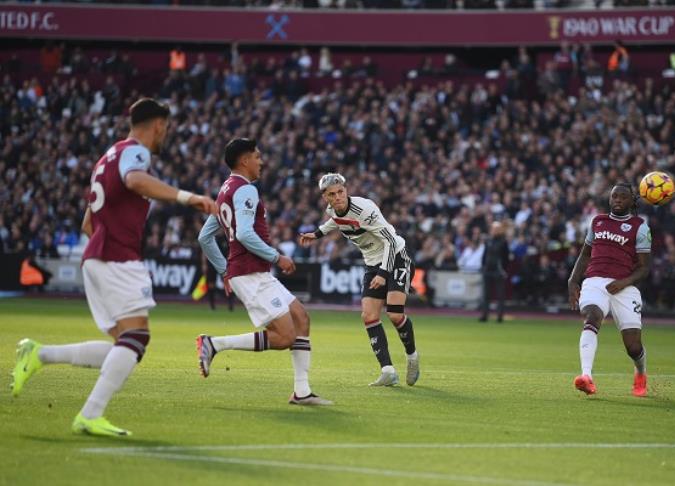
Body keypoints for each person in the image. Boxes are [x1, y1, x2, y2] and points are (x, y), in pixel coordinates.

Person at [11, 98, 218, 436]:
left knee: (126, 344)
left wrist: (109, 240)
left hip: (98, 253)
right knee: (136, 337)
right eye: (165, 128)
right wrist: (187, 197)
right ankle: (90, 414)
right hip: (116, 255)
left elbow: (87, 223)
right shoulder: (136, 153)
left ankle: (40, 354)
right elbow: (136, 180)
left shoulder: (106, 157)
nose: (165, 134)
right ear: (157, 126)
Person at [196, 138, 332, 406]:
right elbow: (245, 233)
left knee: (301, 318)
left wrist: (225, 271)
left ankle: (302, 392)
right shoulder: (246, 190)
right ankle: (214, 344)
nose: (261, 161)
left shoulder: (224, 191)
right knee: (284, 336)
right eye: (257, 156)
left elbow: (204, 237)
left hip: (249, 272)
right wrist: (276, 256)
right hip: (250, 273)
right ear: (244, 160)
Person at [299, 173, 420, 387]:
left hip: (396, 257)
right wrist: (317, 234)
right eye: (332, 194)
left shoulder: (365, 209)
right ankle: (388, 371)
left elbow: (391, 242)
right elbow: (335, 220)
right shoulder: (333, 209)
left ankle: (412, 357)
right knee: (369, 316)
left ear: (346, 190)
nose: (337, 197)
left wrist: (383, 274)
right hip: (372, 262)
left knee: (394, 313)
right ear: (325, 197)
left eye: (340, 192)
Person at [568, 183, 652, 397]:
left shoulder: (640, 227)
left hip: (624, 286)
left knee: (633, 347)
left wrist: (623, 282)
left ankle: (640, 372)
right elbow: (585, 255)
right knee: (592, 316)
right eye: (614, 196)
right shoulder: (598, 221)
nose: (617, 200)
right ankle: (586, 377)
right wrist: (573, 280)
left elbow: (644, 268)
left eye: (622, 197)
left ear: (632, 201)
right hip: (595, 281)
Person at [479, 221, 509, 322]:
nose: (494, 231)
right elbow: (485, 255)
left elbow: (506, 258)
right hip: (488, 269)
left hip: (498, 270)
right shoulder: (488, 241)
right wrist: (483, 266)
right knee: (486, 294)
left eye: (496, 229)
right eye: (493, 228)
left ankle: (499, 316)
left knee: (500, 295)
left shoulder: (503, 242)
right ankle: (484, 315)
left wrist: (504, 269)